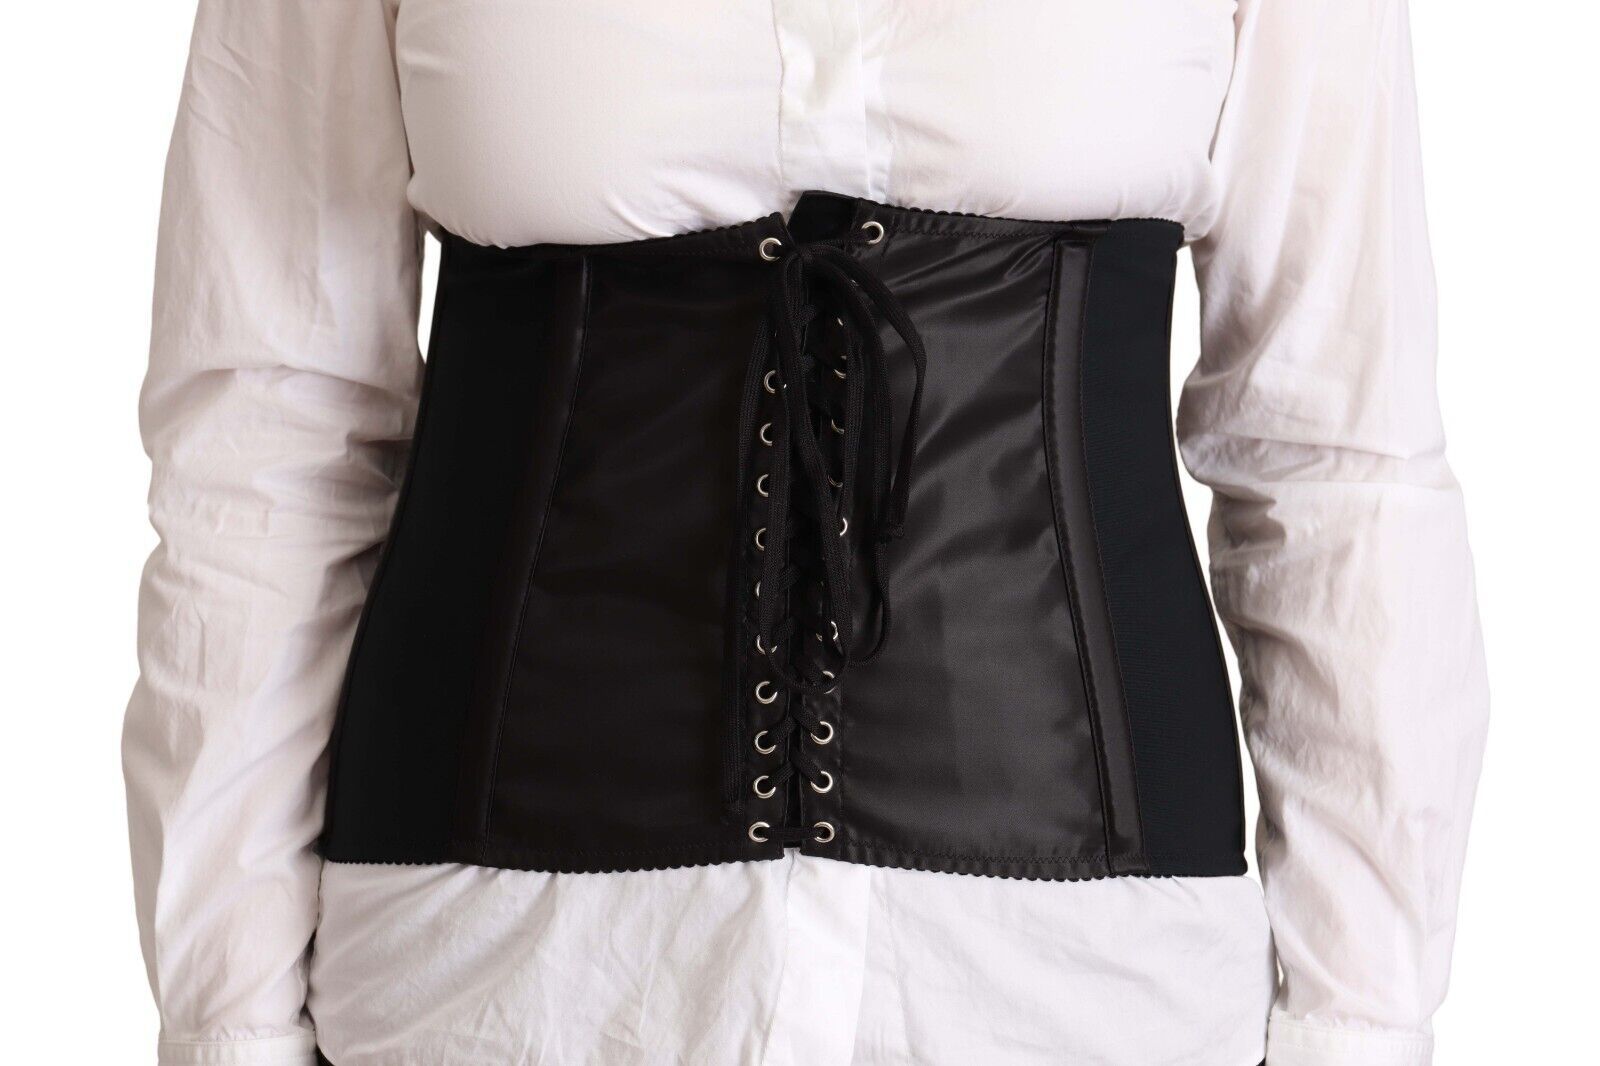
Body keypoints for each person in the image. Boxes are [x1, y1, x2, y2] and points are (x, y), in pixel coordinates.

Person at [124, 2, 1489, 1064]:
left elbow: (1334, 458)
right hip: (506, 980)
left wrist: (1359, 1020)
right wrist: (230, 1017)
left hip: (1083, 986)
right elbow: (269, 436)